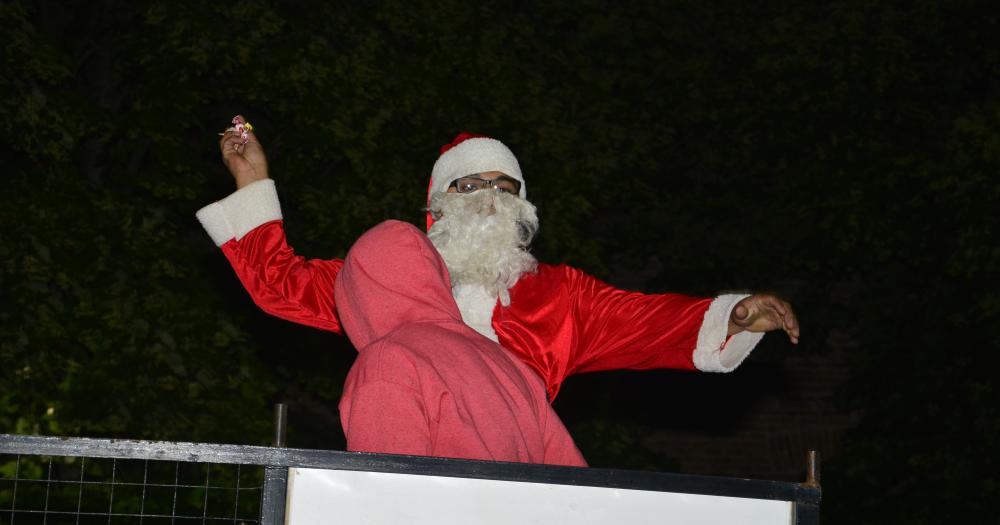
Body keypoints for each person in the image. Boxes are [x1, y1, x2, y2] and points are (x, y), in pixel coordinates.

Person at [196, 120, 800, 459]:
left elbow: (648, 321)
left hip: (521, 460)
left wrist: (737, 317)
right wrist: (253, 181)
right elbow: (282, 285)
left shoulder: (561, 295)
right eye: (471, 186)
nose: (490, 197)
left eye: (505, 187)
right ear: (436, 208)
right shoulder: (387, 281)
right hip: (407, 444)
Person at [334, 219, 585, 465]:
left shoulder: (386, 361)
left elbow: (384, 493)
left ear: (359, 297)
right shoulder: (507, 363)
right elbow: (575, 484)